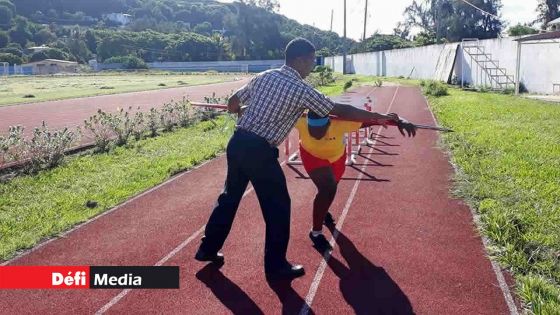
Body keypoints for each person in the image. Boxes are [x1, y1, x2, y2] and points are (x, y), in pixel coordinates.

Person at [195, 37, 412, 280]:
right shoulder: (301, 90)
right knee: (278, 207)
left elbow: (233, 103)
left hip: (238, 143)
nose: (312, 65)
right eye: (311, 60)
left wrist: (249, 110)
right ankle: (276, 267)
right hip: (260, 150)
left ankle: (208, 248)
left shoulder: (263, 76)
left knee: (229, 197)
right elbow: (339, 110)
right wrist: (382, 116)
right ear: (299, 60)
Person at [294, 111, 416, 251]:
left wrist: (401, 120)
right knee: (328, 188)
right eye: (312, 131)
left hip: (337, 156)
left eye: (320, 131)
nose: (316, 134)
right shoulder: (300, 120)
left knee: (331, 189)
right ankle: (316, 233)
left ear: (329, 122)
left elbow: (375, 119)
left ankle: (322, 210)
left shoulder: (342, 122)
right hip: (312, 155)